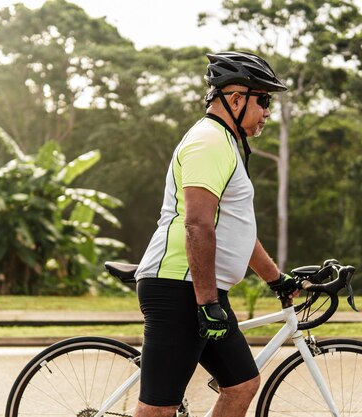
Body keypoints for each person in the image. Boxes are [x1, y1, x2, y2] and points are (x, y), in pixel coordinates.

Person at [133, 51, 298, 417]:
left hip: (198, 290)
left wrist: (277, 280)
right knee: (158, 409)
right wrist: (207, 304)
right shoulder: (209, 142)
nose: (268, 111)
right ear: (235, 98)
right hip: (180, 287)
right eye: (264, 100)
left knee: (241, 385)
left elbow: (235, 230)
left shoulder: (224, 143)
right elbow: (197, 224)